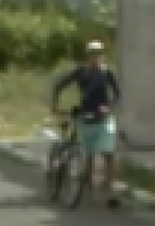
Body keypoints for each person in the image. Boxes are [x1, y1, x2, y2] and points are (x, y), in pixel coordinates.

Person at [51, 41, 122, 207]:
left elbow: (117, 95)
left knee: (108, 153)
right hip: (86, 115)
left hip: (104, 117)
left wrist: (109, 107)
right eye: (92, 53)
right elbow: (60, 84)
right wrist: (54, 103)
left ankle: (108, 191)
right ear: (88, 55)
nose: (95, 57)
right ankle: (88, 187)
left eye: (98, 53)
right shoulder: (81, 72)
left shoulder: (107, 73)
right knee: (88, 154)